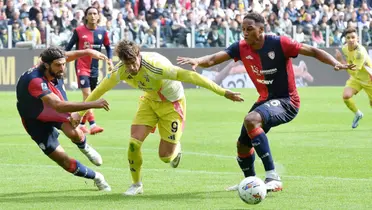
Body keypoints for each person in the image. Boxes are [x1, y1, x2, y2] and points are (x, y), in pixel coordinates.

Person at [177, 12, 354, 192]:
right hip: (265, 100)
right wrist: (198, 60)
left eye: (249, 29)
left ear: (261, 29)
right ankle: (250, 183)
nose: (245, 33)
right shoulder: (240, 47)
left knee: (251, 119)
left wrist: (335, 63)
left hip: (287, 101)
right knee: (242, 145)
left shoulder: (279, 43)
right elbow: (214, 59)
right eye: (243, 29)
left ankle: (273, 176)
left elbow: (314, 51)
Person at [73, 40, 244, 196]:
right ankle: (136, 184)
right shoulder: (121, 70)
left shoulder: (156, 66)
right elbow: (98, 91)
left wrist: (223, 92)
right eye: (127, 64)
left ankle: (176, 148)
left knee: (165, 157)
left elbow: (191, 76)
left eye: (133, 63)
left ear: (138, 55)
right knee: (134, 143)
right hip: (149, 101)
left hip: (172, 104)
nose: (131, 68)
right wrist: (79, 114)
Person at [16, 47, 112, 191]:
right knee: (63, 161)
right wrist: (94, 103)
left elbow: (67, 56)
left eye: (63, 64)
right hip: (35, 119)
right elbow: (58, 106)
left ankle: (84, 147)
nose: (62, 68)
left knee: (75, 132)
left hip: (52, 103)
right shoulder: (35, 80)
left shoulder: (53, 65)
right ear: (46, 65)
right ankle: (97, 177)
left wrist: (87, 51)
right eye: (58, 65)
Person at [65, 6, 113, 135]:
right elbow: (68, 48)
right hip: (82, 67)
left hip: (95, 69)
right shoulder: (79, 31)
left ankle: (81, 124)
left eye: (95, 13)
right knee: (88, 95)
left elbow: (108, 47)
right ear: (86, 16)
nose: (92, 16)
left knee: (90, 97)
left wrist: (109, 59)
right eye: (90, 13)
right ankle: (93, 125)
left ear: (98, 16)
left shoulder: (103, 32)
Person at [335, 27, 372, 129]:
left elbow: (352, 69)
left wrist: (340, 62)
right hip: (356, 78)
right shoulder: (344, 48)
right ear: (345, 39)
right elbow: (350, 65)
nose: (351, 40)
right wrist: (342, 64)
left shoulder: (360, 52)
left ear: (357, 38)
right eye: (348, 38)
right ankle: (358, 114)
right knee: (346, 96)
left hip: (369, 79)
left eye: (353, 37)